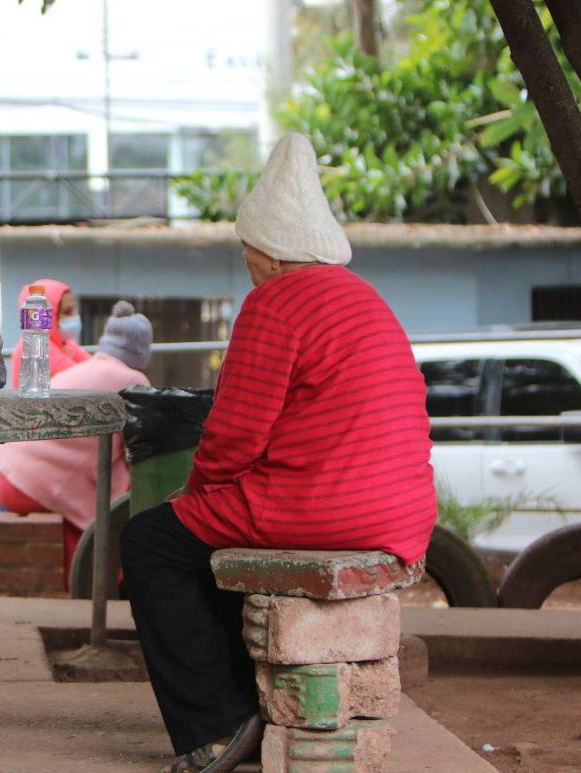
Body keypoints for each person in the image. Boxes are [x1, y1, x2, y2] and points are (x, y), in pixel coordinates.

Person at [120, 133, 435, 773]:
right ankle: (250, 701)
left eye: (247, 251)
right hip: (401, 514)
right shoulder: (365, 298)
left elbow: (234, 436)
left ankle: (215, 724)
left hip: (324, 506)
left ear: (268, 252)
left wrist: (197, 493)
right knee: (198, 545)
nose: (246, 262)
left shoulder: (275, 302)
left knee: (151, 542)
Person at [0, 301, 153, 584]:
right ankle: (104, 586)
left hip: (3, 474)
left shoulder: (84, 367)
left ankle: (81, 588)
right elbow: (141, 450)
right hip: (29, 484)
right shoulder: (134, 381)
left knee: (85, 509)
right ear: (142, 351)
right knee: (114, 504)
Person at [9, 277, 90, 388]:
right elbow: (87, 380)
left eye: (73, 310)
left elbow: (93, 366)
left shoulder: (64, 344)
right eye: (67, 312)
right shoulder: (35, 346)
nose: (74, 316)